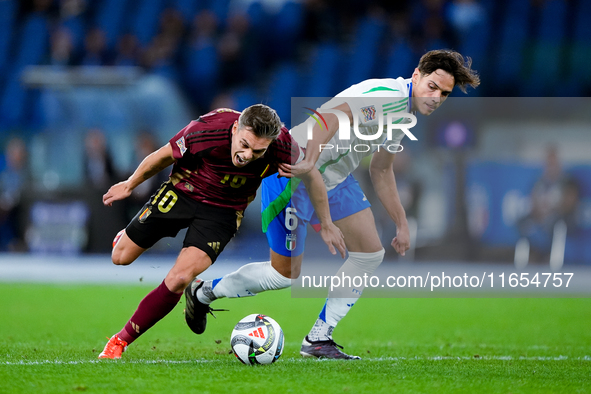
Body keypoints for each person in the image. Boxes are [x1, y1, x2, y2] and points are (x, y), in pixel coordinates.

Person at [186, 49, 480, 359]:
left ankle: (318, 339)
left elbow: (381, 169)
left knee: (369, 253)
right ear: (417, 76)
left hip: (335, 179)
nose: (436, 97)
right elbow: (332, 115)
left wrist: (402, 222)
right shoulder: (386, 97)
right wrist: (309, 161)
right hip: (294, 174)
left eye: (444, 93)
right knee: (283, 276)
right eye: (432, 86)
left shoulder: (405, 114)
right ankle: (203, 291)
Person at [98, 104, 345, 359]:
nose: (248, 155)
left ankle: (120, 341)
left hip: (223, 212)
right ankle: (125, 238)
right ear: (236, 128)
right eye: (245, 144)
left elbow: (312, 176)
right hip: (183, 191)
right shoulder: (206, 130)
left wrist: (326, 223)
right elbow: (163, 156)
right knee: (120, 257)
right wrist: (130, 184)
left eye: (258, 151)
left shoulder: (283, 145)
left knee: (180, 278)